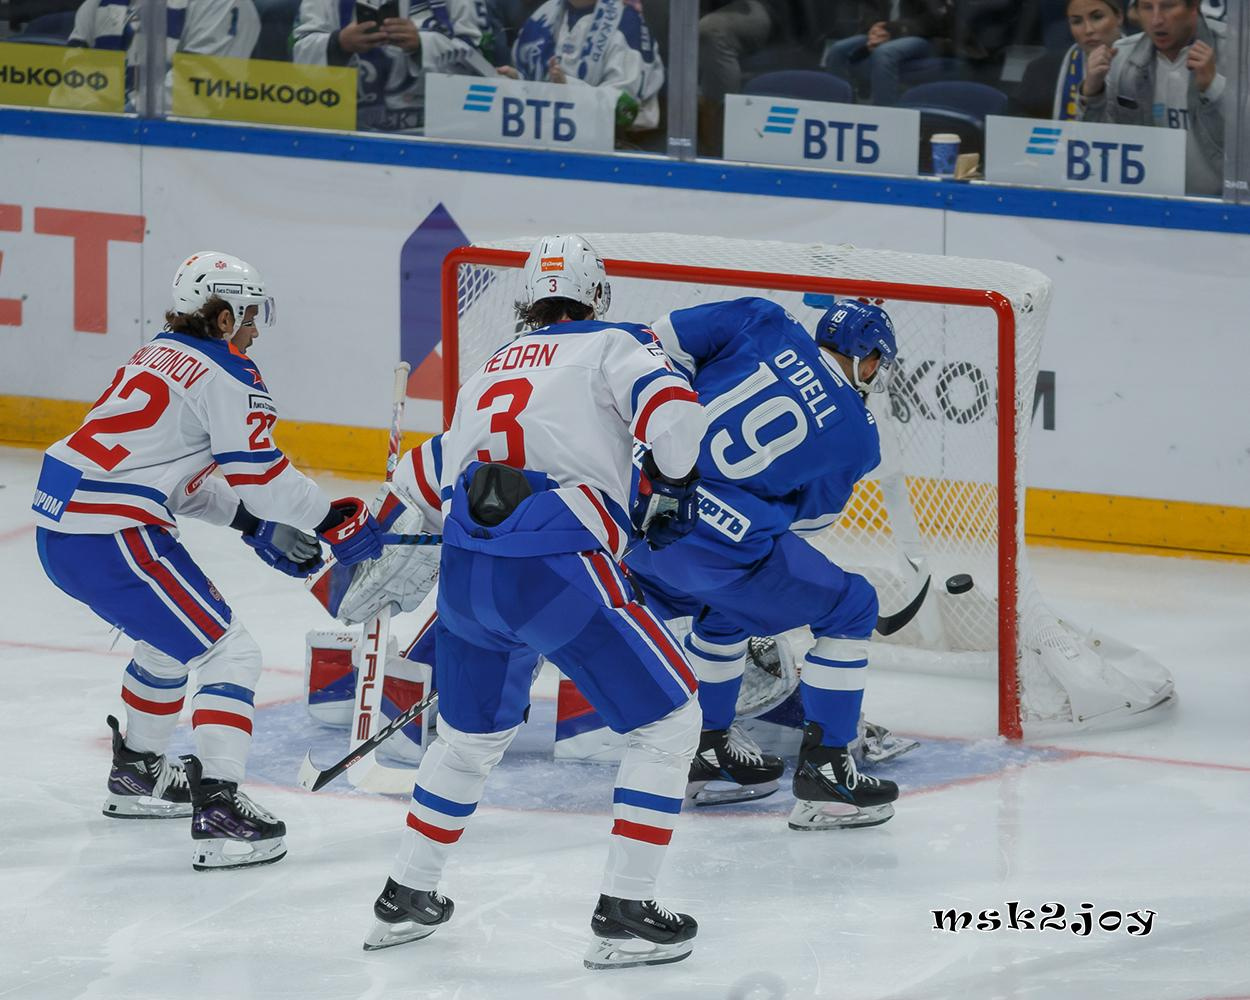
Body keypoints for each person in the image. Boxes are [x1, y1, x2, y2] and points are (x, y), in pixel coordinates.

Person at [361, 234, 708, 971]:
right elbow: (676, 422)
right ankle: (624, 911)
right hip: (556, 564)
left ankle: (406, 893)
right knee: (671, 720)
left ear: (525, 302)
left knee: (468, 740)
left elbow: (423, 479)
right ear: (598, 296)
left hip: (466, 574)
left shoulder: (489, 367)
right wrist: (674, 485)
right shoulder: (615, 344)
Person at [32, 251, 384, 870]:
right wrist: (330, 517)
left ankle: (139, 775)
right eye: (248, 315)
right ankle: (219, 805)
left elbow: (179, 476)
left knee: (167, 640)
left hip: (61, 524)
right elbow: (262, 474)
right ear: (222, 317)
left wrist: (249, 523)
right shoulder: (226, 371)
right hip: (110, 532)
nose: (253, 329)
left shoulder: (153, 355)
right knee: (233, 652)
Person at [624, 297, 902, 831]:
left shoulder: (763, 319)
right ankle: (828, 773)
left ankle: (703, 752)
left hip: (637, 509)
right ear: (866, 358)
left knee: (728, 610)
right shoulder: (858, 435)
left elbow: (659, 341)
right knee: (852, 605)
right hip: (719, 544)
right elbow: (807, 525)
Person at [1079, 0, 1227, 197]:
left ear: (1194, 7)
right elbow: (1099, 150)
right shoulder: (1122, 57)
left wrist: (1214, 87)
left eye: (1167, 6)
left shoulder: (1239, 50)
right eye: (1147, 7)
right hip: (1147, 203)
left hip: (1227, 209)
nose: (1157, 20)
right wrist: (1092, 92)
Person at [292, 0, 493, 132]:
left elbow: (478, 65)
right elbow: (299, 56)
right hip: (345, 133)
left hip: (434, 134)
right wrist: (339, 43)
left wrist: (422, 45)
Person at [498, 0, 665, 131]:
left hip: (614, 146)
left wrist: (569, 90)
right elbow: (534, 83)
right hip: (543, 134)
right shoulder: (545, 13)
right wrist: (518, 83)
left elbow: (624, 107)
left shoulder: (627, 23)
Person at [68, 0, 260, 111]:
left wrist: (113, 125)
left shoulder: (224, 3)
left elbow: (195, 97)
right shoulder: (96, 4)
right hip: (97, 147)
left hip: (193, 158)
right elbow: (70, 88)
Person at [821, 0, 950, 106]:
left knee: (885, 52)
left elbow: (933, 21)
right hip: (883, 32)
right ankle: (838, 109)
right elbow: (869, 14)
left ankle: (885, 115)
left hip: (920, 37)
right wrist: (874, 31)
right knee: (837, 50)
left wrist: (893, 29)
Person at [1016, 0, 1125, 120]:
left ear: (1119, 17)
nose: (1088, 30)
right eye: (1077, 21)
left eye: (1097, 17)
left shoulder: (1146, 62)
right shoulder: (1041, 71)